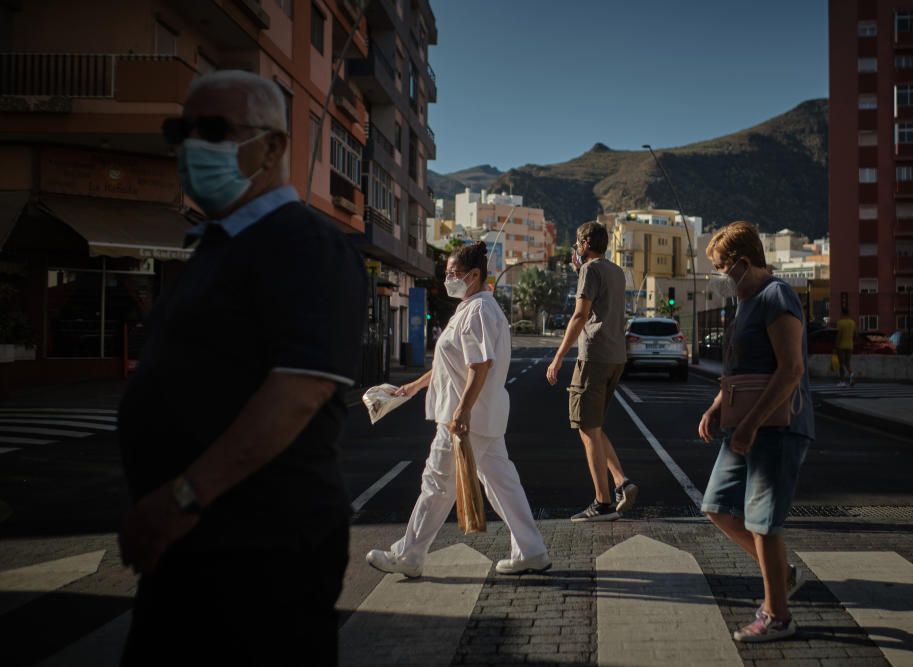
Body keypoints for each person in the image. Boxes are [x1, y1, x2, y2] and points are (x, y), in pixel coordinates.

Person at [116, 71, 367, 665]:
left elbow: (296, 392)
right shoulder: (217, 246)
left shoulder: (305, 243)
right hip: (199, 545)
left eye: (213, 131)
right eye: (181, 131)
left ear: (274, 147)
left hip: (262, 550)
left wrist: (181, 499)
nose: (191, 147)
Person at [366, 242, 550, 577]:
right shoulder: (471, 308)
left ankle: (408, 555)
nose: (448, 278)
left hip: (464, 419)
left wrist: (462, 412)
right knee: (502, 482)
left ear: (475, 275)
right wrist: (411, 387)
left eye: (454, 273)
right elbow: (447, 363)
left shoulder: (478, 312)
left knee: (436, 483)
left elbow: (478, 366)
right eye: (448, 273)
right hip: (484, 418)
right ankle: (531, 550)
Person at [697, 221, 815, 643]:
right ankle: (782, 577)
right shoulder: (746, 302)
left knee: (763, 523)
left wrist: (749, 424)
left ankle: (778, 615)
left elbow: (791, 369)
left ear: (744, 263)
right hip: (742, 427)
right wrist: (716, 407)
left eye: (723, 269)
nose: (722, 279)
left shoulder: (775, 295)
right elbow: (742, 371)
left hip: (777, 428)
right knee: (717, 507)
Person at [546, 222, 638, 522]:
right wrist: (580, 270)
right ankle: (622, 482)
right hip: (616, 357)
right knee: (594, 425)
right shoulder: (615, 271)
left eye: (577, 242)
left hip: (594, 356)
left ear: (585, 243)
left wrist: (558, 357)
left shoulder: (589, 271)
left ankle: (603, 503)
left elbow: (580, 315)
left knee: (586, 428)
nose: (576, 247)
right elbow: (601, 300)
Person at [835, 308, 856, 387]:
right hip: (850, 346)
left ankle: (842, 381)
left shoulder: (840, 323)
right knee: (847, 363)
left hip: (841, 346)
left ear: (842, 313)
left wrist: (836, 345)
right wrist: (851, 341)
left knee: (841, 364)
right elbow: (855, 334)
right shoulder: (852, 322)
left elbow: (838, 335)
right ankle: (851, 374)